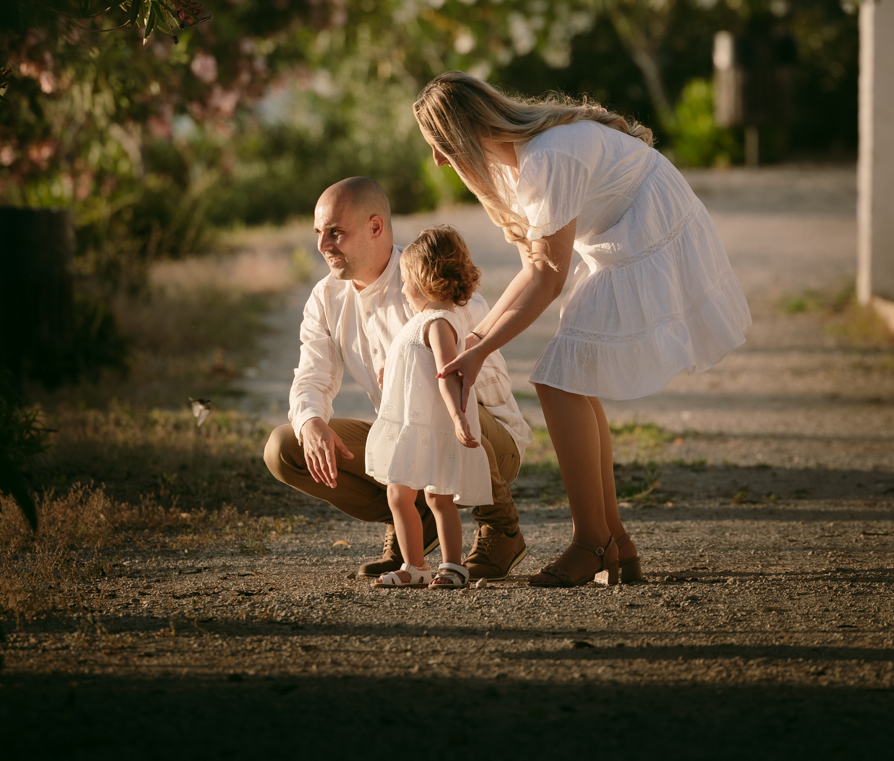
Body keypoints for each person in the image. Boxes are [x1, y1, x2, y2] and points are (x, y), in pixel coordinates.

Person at [413, 72, 751, 588]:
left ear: (464, 131)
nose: (438, 159)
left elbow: (548, 280)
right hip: (619, 237)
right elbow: (532, 269)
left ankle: (592, 540)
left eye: (439, 144)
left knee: (559, 378)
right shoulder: (514, 164)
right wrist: (475, 340)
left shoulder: (548, 157)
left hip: (647, 231)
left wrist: (479, 351)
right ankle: (613, 541)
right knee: (570, 376)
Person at [263, 177, 532, 581]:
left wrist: (414, 371)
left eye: (335, 232)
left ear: (375, 226)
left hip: (484, 436)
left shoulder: (429, 280)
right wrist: (311, 421)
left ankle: (501, 527)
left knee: (451, 394)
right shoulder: (325, 297)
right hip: (412, 437)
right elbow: (310, 375)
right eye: (318, 233)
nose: (322, 245)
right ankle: (414, 524)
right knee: (285, 447)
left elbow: (470, 380)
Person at [365, 226, 492, 588]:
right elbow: (416, 363)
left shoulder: (438, 323)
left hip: (433, 427)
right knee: (398, 493)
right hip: (413, 426)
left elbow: (447, 374)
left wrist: (458, 417)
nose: (403, 289)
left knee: (438, 497)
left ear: (424, 280)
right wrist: (391, 369)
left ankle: (452, 566)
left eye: (405, 280)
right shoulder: (423, 322)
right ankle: (415, 565)